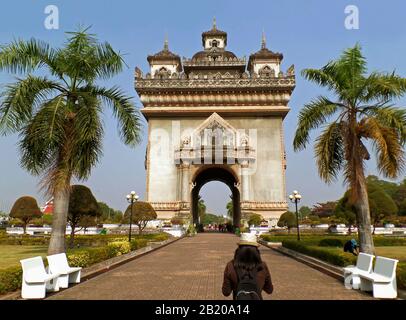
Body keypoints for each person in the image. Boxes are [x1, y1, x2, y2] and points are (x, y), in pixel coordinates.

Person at [222, 233, 273, 300]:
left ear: (239, 250)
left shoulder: (231, 265)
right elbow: (269, 290)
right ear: (256, 250)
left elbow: (226, 292)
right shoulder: (262, 266)